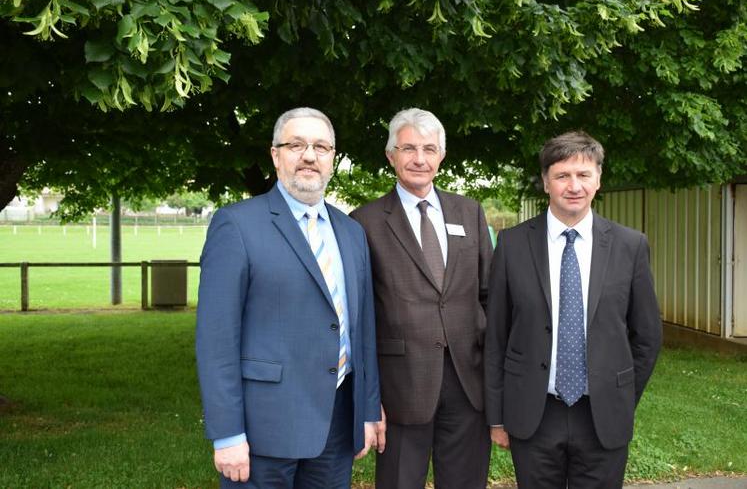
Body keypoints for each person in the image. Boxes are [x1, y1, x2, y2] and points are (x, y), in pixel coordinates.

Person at [195, 107, 381, 489]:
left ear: (332, 158)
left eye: (321, 146)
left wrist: (366, 411)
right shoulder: (237, 225)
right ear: (275, 155)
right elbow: (216, 340)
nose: (309, 155)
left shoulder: (351, 232)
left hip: (336, 427)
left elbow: (363, 332)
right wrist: (228, 434)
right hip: (264, 430)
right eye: (295, 144)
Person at [484, 131, 662, 488]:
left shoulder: (630, 245)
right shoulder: (513, 244)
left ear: (599, 180)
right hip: (534, 412)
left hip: (602, 414)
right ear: (546, 182)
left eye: (584, 174)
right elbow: (496, 336)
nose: (573, 185)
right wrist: (497, 415)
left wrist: (620, 395)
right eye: (562, 175)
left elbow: (647, 337)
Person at [350, 108, 493, 489]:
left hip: (468, 383)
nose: (419, 159)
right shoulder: (363, 222)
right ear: (390, 155)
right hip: (401, 388)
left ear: (441, 156)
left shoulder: (470, 212)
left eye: (429, 149)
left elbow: (489, 297)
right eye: (409, 148)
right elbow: (359, 317)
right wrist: (369, 398)